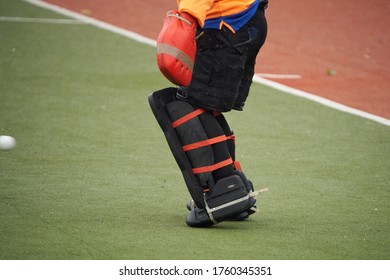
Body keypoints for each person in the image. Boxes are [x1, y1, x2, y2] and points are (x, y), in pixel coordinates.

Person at [149, 0, 268, 227]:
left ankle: (225, 192)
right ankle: (234, 186)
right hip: (246, 19)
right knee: (207, 104)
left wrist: (187, 18)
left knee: (192, 104)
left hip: (225, 24)